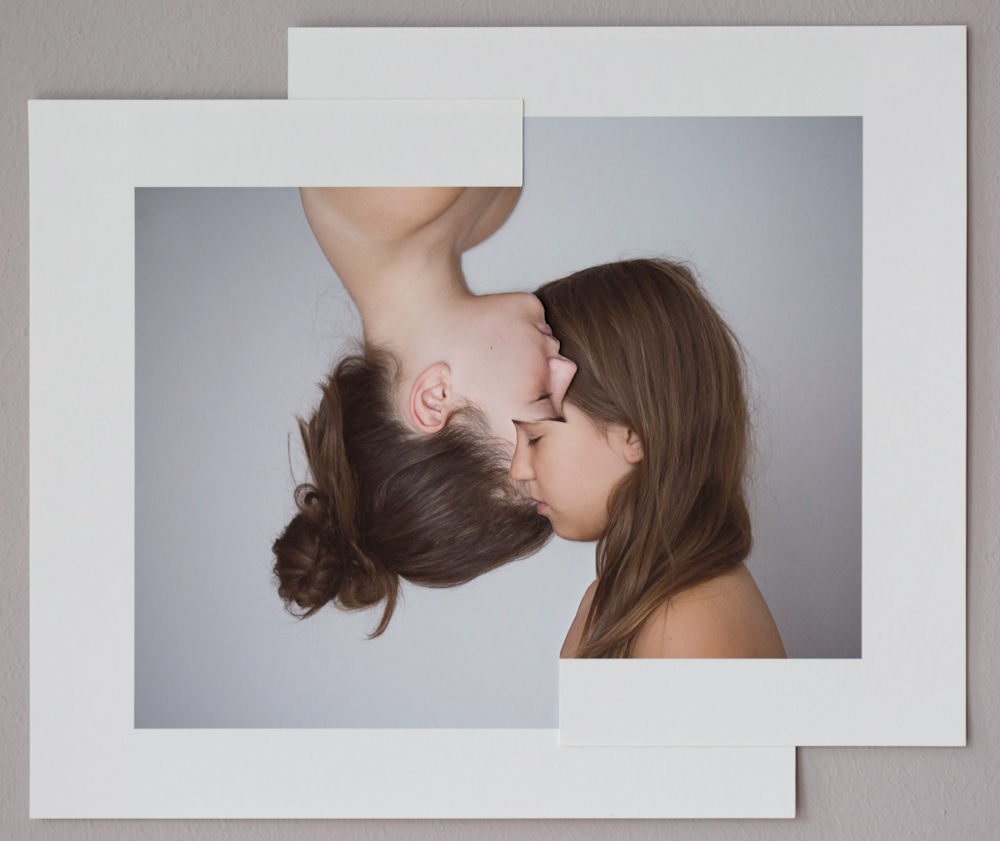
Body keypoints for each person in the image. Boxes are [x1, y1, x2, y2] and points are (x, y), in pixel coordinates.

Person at [272, 187, 577, 635]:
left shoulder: (392, 186)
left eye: (541, 400)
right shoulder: (475, 218)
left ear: (434, 398)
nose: (566, 370)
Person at [510, 259, 787, 659]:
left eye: (535, 437)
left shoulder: (688, 621)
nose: (517, 469)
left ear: (634, 434)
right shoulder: (624, 600)